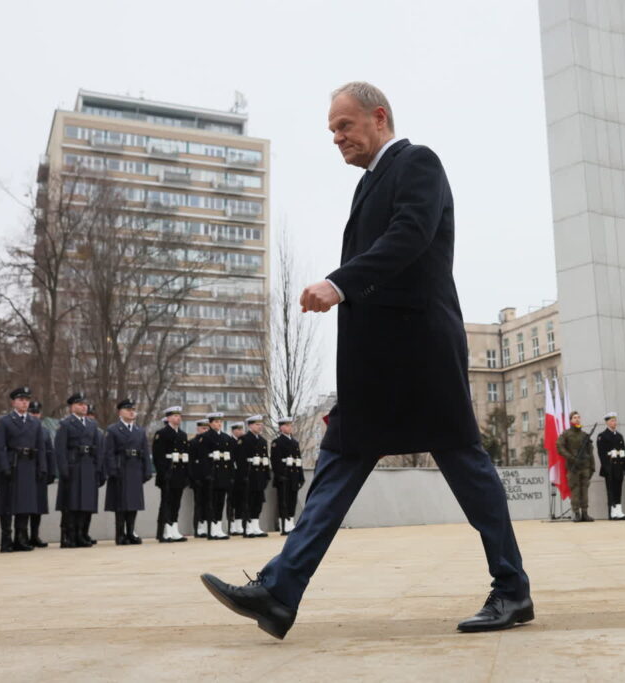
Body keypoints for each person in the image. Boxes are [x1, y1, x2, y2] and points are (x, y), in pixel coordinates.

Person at [201, 82, 532, 640]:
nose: (336, 138)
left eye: (344, 126)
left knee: (466, 467)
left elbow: (410, 236)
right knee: (334, 471)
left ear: (378, 118)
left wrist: (338, 283)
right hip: (374, 366)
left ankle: (512, 590)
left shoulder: (416, 163)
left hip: (419, 354)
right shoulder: (368, 185)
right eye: (332, 130)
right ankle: (280, 592)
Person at [0, 386, 47, 552]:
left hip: (28, 464)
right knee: (7, 504)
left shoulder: (35, 422)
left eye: (26, 400)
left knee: (25, 503)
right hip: (12, 463)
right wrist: (4, 466)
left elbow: (40, 447)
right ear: (13, 402)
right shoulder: (5, 421)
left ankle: (20, 538)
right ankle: (6, 539)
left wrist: (42, 467)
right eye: (21, 400)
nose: (24, 403)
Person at [55, 392, 104, 548]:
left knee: (86, 503)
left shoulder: (92, 424)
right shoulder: (66, 424)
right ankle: (68, 536)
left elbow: (98, 448)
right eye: (80, 404)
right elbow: (60, 449)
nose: (83, 407)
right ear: (72, 407)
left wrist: (98, 468)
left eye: (85, 404)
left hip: (88, 465)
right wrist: (64, 469)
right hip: (73, 465)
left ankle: (82, 534)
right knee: (71, 503)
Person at [104, 398, 151, 544]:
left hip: (135, 468)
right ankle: (120, 534)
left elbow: (145, 451)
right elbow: (109, 452)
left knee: (133, 503)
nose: (131, 412)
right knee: (121, 504)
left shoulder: (139, 431)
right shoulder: (113, 429)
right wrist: (112, 470)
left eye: (133, 410)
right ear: (120, 412)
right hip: (121, 468)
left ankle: (130, 532)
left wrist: (147, 470)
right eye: (128, 410)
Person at [152, 406, 190, 543]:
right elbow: (158, 456)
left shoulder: (182, 435)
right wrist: (163, 473)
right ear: (168, 418)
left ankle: (174, 528)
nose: (178, 418)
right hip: (168, 472)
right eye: (174, 416)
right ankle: (164, 531)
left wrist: (186, 474)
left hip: (179, 472)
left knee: (176, 503)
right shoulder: (161, 433)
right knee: (166, 503)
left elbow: (186, 455)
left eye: (179, 415)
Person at [197, 412, 235, 540]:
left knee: (220, 501)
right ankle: (212, 528)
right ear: (210, 423)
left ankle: (218, 526)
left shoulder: (226, 438)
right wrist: (206, 474)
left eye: (220, 422)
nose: (219, 424)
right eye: (216, 422)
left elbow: (230, 458)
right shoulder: (206, 437)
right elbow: (202, 458)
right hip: (212, 474)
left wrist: (230, 474)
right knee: (211, 502)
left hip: (223, 474)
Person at [235, 415, 271, 538]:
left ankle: (256, 525)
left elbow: (265, 458)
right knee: (248, 501)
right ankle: (248, 527)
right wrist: (243, 476)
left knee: (258, 501)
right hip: (249, 475)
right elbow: (240, 461)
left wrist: (267, 475)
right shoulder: (244, 440)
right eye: (256, 424)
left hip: (260, 474)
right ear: (250, 425)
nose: (259, 426)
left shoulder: (262, 441)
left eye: (260, 424)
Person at [557, 411, 595, 522]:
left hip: (585, 467)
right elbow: (559, 447)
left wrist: (592, 466)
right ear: (570, 420)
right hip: (573, 467)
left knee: (585, 490)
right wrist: (571, 458)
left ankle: (585, 513)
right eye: (574, 417)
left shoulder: (584, 435)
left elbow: (590, 452)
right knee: (575, 491)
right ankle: (576, 513)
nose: (577, 419)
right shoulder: (566, 434)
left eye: (579, 417)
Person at [27, 401, 55, 548]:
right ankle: (22, 536)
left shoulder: (44, 431)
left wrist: (51, 471)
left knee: (38, 507)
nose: (35, 415)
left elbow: (50, 452)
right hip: (26, 472)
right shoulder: (24, 428)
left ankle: (34, 535)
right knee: (25, 506)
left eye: (37, 413)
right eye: (32, 412)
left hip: (40, 472)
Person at [271, 416, 303, 534]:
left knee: (292, 500)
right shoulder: (277, 442)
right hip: (284, 475)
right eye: (287, 425)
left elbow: (298, 460)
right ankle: (283, 523)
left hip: (294, 475)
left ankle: (291, 522)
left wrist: (301, 476)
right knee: (283, 500)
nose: (290, 427)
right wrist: (279, 475)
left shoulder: (295, 442)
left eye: (291, 425)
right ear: (281, 427)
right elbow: (275, 461)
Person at [596, 411, 625, 520]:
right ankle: (613, 512)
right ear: (607, 422)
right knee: (611, 490)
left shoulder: (619, 436)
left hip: (619, 466)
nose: (615, 423)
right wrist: (606, 467)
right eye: (612, 421)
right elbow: (601, 454)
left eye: (615, 420)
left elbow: (624, 452)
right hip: (610, 467)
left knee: (618, 489)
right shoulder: (602, 436)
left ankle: (619, 511)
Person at [188, 418, 210, 538]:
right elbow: (191, 462)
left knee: (208, 502)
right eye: (203, 428)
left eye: (207, 428)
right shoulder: (193, 443)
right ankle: (199, 526)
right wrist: (193, 478)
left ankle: (207, 524)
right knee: (199, 503)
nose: (205, 430)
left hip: (208, 478)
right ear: (198, 429)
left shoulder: (209, 442)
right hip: (197, 478)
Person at [228, 422, 246, 536]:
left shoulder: (243, 442)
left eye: (241, 429)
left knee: (240, 500)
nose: (240, 432)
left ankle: (239, 524)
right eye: (238, 429)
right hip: (231, 475)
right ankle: (232, 524)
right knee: (231, 501)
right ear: (233, 431)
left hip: (241, 475)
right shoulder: (229, 441)